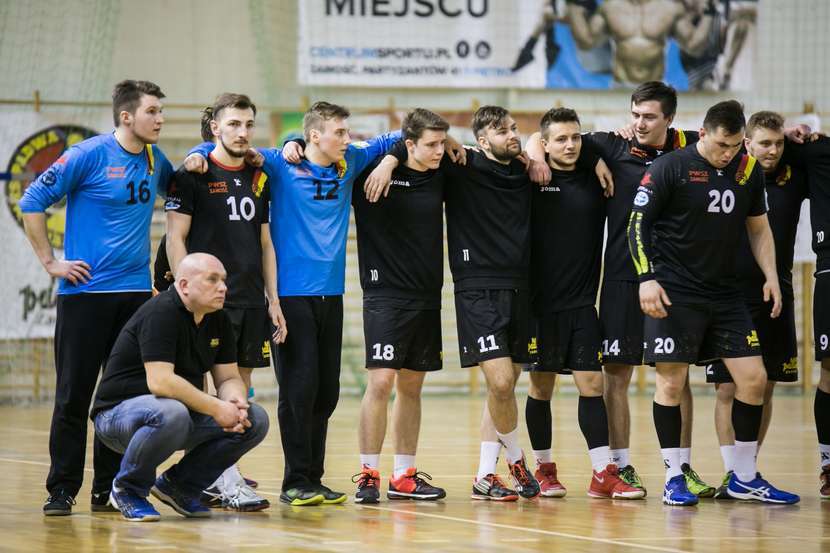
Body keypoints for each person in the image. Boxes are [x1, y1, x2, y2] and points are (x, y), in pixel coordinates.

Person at [185, 101, 402, 505]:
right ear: (314, 136)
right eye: (339, 132)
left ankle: (313, 478)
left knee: (326, 393)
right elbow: (223, 154)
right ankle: (294, 481)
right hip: (290, 297)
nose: (347, 138)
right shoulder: (281, 165)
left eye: (347, 131)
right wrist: (195, 154)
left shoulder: (350, 160)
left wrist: (389, 160)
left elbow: (397, 137)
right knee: (298, 390)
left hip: (331, 295)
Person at [527, 81, 704, 497]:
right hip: (623, 277)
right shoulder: (609, 145)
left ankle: (682, 467)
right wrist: (536, 155)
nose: (639, 123)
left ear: (670, 119)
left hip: (677, 279)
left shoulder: (690, 149)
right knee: (615, 375)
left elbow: (738, 139)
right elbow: (542, 134)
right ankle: (618, 466)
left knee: (676, 376)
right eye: (635, 115)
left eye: (649, 116)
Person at [370, 106, 545, 501]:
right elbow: (414, 143)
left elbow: (570, 143)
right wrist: (390, 159)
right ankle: (516, 458)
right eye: (504, 131)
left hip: (521, 288)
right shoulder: (459, 164)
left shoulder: (524, 167)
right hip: (476, 288)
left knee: (504, 389)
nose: (513, 135)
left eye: (515, 128)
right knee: (500, 381)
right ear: (482, 141)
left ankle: (486, 475)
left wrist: (532, 153)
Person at [628, 99, 799, 505]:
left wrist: (772, 276)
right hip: (675, 291)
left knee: (755, 380)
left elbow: (759, 229)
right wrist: (646, 279)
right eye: (723, 145)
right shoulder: (670, 167)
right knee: (671, 382)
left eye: (737, 145)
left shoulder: (747, 170)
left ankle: (743, 476)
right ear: (703, 134)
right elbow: (637, 225)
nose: (730, 153)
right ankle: (674, 476)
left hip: (726, 294)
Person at [19, 80, 174, 516]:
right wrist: (52, 263)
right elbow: (32, 200)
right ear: (126, 116)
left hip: (136, 297)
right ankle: (62, 489)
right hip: (85, 296)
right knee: (73, 395)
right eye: (152, 111)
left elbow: (180, 193)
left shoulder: (153, 158)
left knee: (124, 399)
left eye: (161, 112)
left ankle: (107, 489)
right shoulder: (88, 155)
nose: (160, 119)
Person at [165, 93, 282, 511]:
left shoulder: (259, 175)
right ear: (214, 127)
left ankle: (217, 475)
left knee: (240, 390)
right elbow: (174, 236)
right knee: (198, 394)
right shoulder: (192, 173)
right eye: (233, 123)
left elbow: (265, 242)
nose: (242, 132)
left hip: (249, 299)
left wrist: (273, 298)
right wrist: (184, 292)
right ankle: (219, 478)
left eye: (248, 124)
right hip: (207, 303)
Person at [90, 253, 269, 522]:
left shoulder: (216, 317)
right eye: (212, 280)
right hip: (117, 419)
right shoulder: (160, 312)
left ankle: (179, 485)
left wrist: (235, 403)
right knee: (172, 411)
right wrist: (217, 407)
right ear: (184, 285)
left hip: (173, 418)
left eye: (223, 280)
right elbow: (160, 381)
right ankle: (127, 489)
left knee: (254, 420)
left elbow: (228, 378)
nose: (223, 287)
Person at [526, 107, 644, 500]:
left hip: (582, 303)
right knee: (540, 387)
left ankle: (601, 472)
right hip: (540, 305)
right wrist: (535, 156)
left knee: (592, 384)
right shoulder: (532, 176)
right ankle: (543, 469)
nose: (570, 144)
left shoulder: (596, 173)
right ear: (545, 144)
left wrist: (594, 158)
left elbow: (617, 142)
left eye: (575, 137)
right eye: (560, 139)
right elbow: (524, 144)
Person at [705, 111, 807, 498]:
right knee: (727, 389)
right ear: (746, 143)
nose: (773, 150)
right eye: (765, 143)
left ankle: (748, 471)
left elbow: (815, 153)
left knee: (765, 386)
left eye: (779, 143)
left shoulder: (794, 176)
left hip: (775, 293)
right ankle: (733, 474)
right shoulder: (728, 172)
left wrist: (807, 134)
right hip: (729, 297)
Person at [350, 109, 449, 503]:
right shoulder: (370, 173)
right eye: (431, 144)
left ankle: (404, 475)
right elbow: (326, 147)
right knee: (381, 381)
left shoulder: (443, 172)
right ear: (409, 144)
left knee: (412, 385)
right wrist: (389, 159)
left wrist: (397, 154)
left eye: (443, 143)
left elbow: (469, 147)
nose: (440, 150)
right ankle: (369, 474)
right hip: (384, 294)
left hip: (426, 295)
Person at [780, 133, 830, 497]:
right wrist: (784, 130)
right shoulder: (819, 151)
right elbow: (755, 140)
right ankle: (829, 464)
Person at [565, 0, 715, 86]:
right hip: (620, 86)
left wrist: (709, 14)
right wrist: (573, 9)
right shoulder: (611, 7)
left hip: (656, 87)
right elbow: (587, 42)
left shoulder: (669, 8)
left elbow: (694, 46)